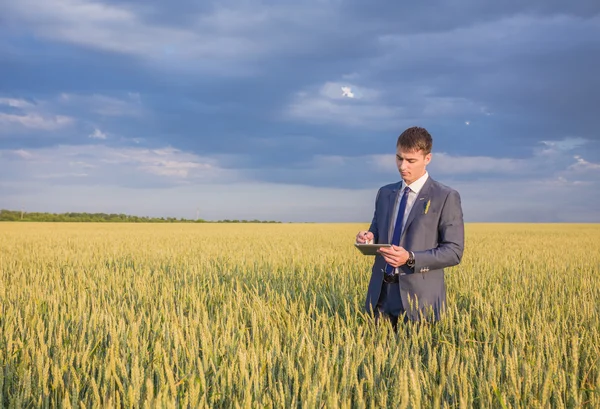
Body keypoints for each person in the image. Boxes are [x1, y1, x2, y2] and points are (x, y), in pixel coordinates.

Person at [356, 126, 464, 328]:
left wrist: (411, 258)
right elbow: (377, 231)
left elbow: (454, 252)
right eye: (399, 158)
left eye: (411, 161)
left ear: (427, 159)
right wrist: (367, 238)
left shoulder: (445, 196)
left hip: (420, 301)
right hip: (381, 296)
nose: (402, 166)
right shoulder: (385, 193)